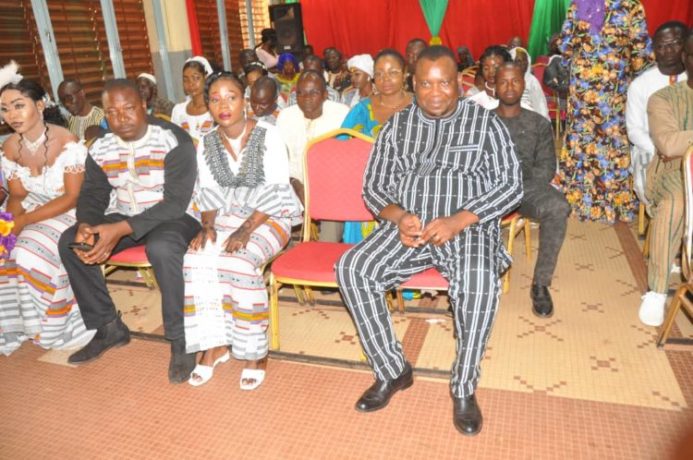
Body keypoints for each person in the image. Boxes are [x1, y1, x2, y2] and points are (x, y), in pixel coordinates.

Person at [335, 46, 522, 436]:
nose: (435, 93)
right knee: (353, 268)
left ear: (459, 84)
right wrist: (399, 217)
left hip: (467, 228)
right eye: (425, 84)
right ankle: (392, 370)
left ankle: (464, 385)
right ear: (413, 84)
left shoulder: (485, 123)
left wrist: (459, 220)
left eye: (444, 83)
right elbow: (373, 188)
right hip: (411, 228)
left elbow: (511, 185)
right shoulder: (397, 126)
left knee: (478, 281)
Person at [58, 79, 200, 383]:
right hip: (125, 212)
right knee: (70, 241)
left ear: (145, 106)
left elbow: (176, 202)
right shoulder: (101, 146)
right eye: (112, 112)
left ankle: (181, 337)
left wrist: (119, 230)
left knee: (162, 248)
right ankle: (108, 326)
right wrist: (86, 224)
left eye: (129, 109)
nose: (121, 118)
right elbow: (93, 194)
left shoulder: (174, 139)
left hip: (175, 216)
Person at [183, 72, 301, 389]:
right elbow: (207, 192)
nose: (223, 105)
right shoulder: (207, 142)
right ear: (208, 105)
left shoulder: (268, 135)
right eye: (215, 99)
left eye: (231, 97)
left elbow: (276, 191)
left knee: (238, 261)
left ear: (244, 101)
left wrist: (245, 230)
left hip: (270, 216)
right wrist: (207, 226)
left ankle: (255, 353)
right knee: (195, 259)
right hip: (225, 216)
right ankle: (215, 344)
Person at [0, 78, 93, 355]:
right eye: (5, 109)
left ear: (40, 105)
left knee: (27, 252)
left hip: (71, 212)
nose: (11, 115)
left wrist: (23, 223)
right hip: (31, 208)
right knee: (4, 248)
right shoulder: (9, 147)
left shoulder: (67, 143)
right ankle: (19, 325)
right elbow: (17, 195)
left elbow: (71, 197)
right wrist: (8, 226)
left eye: (19, 106)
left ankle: (55, 325)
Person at [557, 0, 653, 223]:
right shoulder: (625, 6)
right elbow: (641, 55)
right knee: (598, 141)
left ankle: (594, 202)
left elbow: (565, 46)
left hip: (599, 93)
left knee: (597, 141)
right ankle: (597, 201)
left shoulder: (625, 6)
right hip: (598, 93)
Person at [495, 63, 570, 317]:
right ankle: (469, 279)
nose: (509, 87)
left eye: (515, 81)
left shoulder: (538, 123)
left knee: (558, 207)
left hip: (527, 188)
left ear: (524, 84)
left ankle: (540, 284)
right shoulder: (482, 122)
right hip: (489, 190)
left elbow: (547, 167)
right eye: (503, 81)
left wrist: (518, 186)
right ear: (495, 86)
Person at [638, 29, 693, 327]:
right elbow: (670, 145)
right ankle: (657, 291)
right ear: (687, 58)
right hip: (673, 173)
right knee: (676, 203)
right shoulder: (663, 98)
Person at [341, 49, 413, 244]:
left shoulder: (420, 107)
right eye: (379, 73)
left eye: (393, 72)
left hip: (413, 189)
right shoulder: (361, 110)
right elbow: (341, 149)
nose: (385, 79)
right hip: (367, 186)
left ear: (405, 73)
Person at [276, 70, 349, 242]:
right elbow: (280, 160)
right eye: (300, 93)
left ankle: (325, 250)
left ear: (325, 95)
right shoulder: (286, 116)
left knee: (333, 204)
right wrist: (296, 184)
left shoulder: (341, 115)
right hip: (292, 183)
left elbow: (346, 161)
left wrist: (318, 188)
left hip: (330, 185)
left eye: (313, 93)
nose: (306, 98)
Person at [626, 21, 687, 207]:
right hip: (651, 150)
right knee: (663, 193)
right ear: (654, 50)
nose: (667, 50)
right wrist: (659, 149)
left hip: (689, 148)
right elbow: (634, 130)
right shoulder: (640, 85)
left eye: (674, 43)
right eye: (661, 46)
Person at [171, 57, 215, 145]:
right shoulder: (178, 110)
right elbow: (174, 141)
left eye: (196, 78)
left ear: (206, 78)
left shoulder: (215, 108)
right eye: (185, 80)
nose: (190, 84)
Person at [509, 47, 550, 120]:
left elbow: (540, 104)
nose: (522, 63)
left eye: (525, 60)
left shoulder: (532, 80)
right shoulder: (506, 79)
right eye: (518, 61)